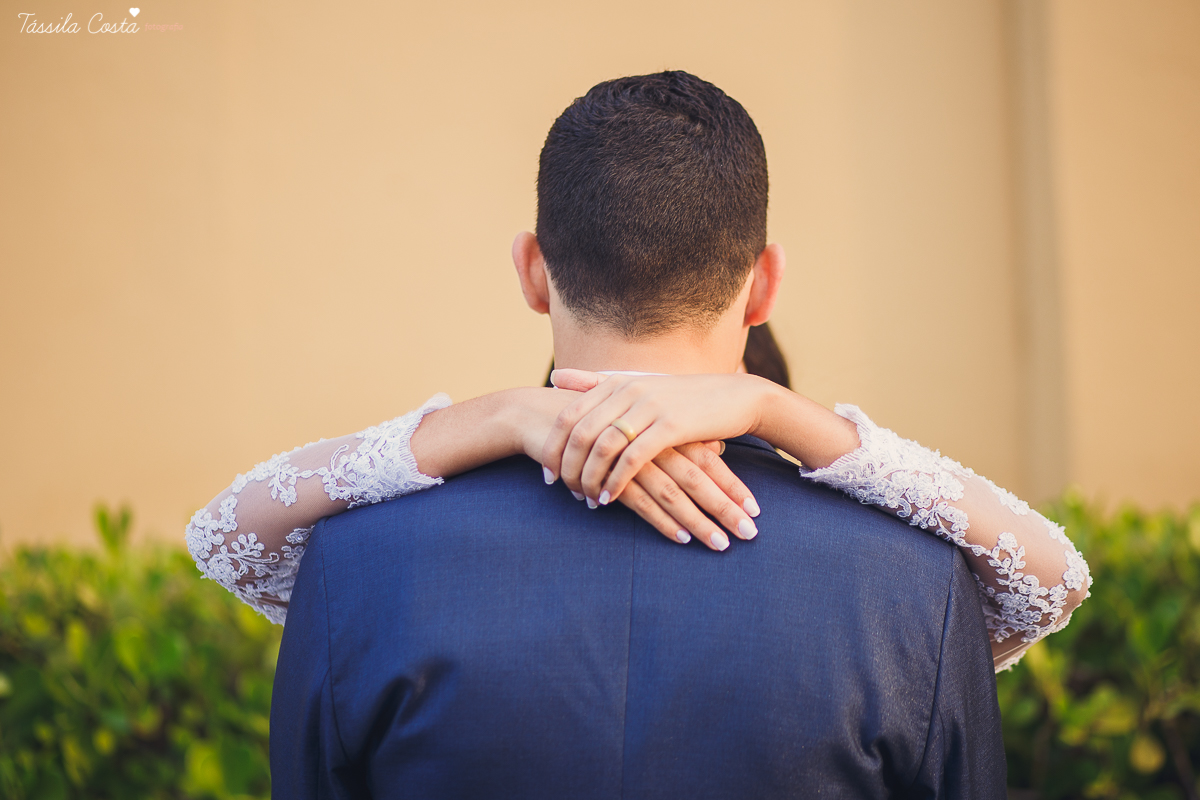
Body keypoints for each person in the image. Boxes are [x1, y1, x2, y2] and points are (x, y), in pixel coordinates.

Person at [186, 71, 1090, 794]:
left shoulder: (357, 562)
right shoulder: (913, 584)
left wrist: (495, 413)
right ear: (765, 285)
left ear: (532, 270)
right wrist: (777, 409)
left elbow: (224, 533)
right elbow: (1050, 576)